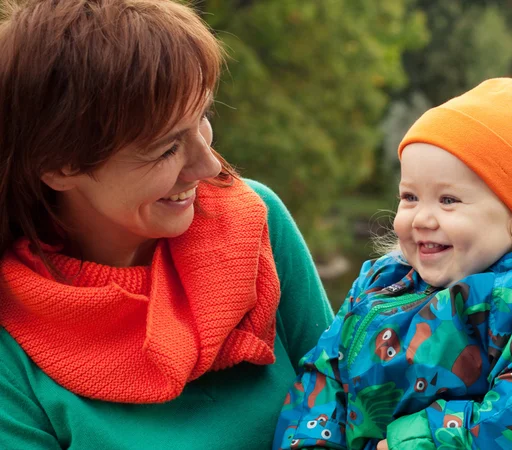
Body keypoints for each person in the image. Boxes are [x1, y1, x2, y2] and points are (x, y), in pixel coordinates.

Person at [0, 1, 333, 448]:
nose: (208, 164)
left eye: (203, 118)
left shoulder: (258, 222)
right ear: (58, 165)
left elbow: (351, 399)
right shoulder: (11, 351)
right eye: (165, 147)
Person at [273, 78, 512, 450]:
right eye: (410, 197)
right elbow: (324, 372)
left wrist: (414, 441)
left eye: (448, 200)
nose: (422, 218)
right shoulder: (379, 281)